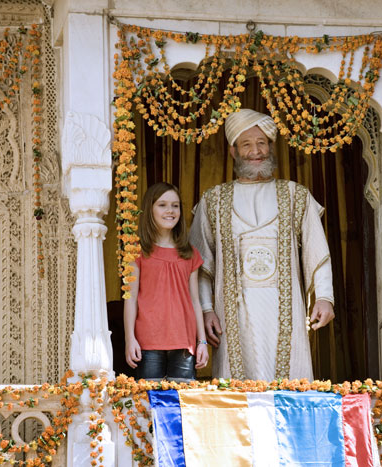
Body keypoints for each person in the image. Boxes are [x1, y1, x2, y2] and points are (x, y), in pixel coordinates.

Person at [189, 108, 335, 381]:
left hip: (285, 313)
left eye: (262, 143)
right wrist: (207, 310)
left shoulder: (296, 195)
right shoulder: (213, 201)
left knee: (290, 382)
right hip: (230, 317)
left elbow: (318, 251)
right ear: (233, 151)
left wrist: (325, 297)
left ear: (270, 146)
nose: (256, 151)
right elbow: (200, 264)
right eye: (247, 144)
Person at [124, 182, 209, 381]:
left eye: (175, 205)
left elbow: (195, 301)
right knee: (148, 403)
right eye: (162, 205)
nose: (170, 210)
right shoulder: (137, 251)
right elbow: (131, 298)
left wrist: (202, 341)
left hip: (183, 343)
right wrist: (130, 339)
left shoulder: (189, 253)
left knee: (180, 403)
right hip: (148, 342)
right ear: (150, 210)